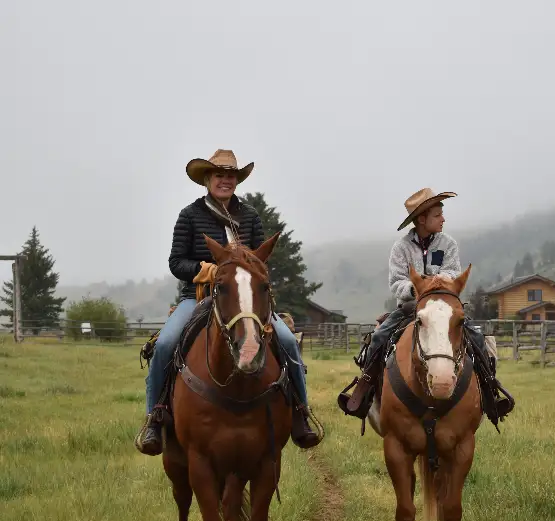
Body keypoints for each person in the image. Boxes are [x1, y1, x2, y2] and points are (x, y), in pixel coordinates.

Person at [135, 149, 321, 455]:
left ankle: (301, 412)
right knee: (166, 344)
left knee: (287, 340)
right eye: (220, 175)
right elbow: (175, 262)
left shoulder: (249, 216)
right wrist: (205, 270)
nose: (225, 181)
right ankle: (155, 417)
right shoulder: (189, 215)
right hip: (196, 297)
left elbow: (261, 262)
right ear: (207, 179)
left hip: (244, 300)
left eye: (231, 176)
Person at [338, 188, 513, 422]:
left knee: (477, 339)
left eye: (442, 214)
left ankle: (490, 393)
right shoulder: (400, 248)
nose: (443, 219)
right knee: (379, 339)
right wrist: (414, 288)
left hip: (443, 306)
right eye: (438, 215)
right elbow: (396, 281)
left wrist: (434, 283)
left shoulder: (448, 244)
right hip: (411, 307)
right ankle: (364, 391)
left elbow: (452, 272)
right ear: (422, 219)